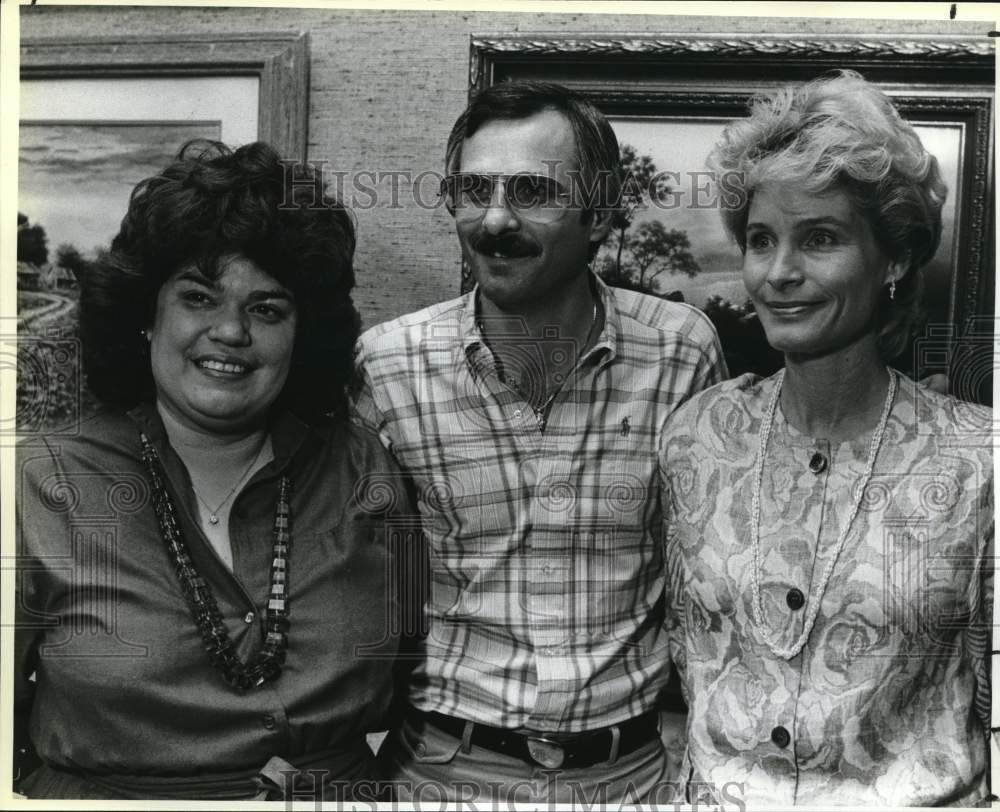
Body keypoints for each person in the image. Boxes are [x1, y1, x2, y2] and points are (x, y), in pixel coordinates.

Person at [353, 80, 727, 805]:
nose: (494, 220)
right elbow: (356, 582)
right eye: (473, 189)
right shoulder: (388, 364)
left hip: (631, 782)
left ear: (599, 212)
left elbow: (704, 579)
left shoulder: (682, 352)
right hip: (442, 774)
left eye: (531, 191)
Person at [15, 141, 408, 801]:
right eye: (199, 297)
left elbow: (425, 673)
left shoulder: (367, 466)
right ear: (147, 315)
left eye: (267, 309)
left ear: (303, 333)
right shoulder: (39, 480)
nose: (230, 331)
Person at [660, 70, 992, 806]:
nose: (779, 273)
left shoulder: (979, 462)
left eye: (820, 238)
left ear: (896, 259)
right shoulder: (695, 437)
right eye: (759, 240)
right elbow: (684, 666)